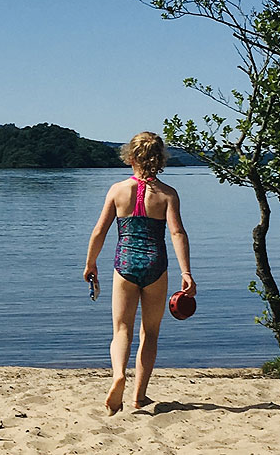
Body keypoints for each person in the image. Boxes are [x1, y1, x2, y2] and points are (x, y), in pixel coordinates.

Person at [84, 131, 195, 415]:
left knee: (122, 330)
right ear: (160, 159)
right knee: (151, 332)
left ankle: (119, 374)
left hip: (125, 265)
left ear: (130, 158)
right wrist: (187, 272)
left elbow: (99, 231)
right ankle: (139, 396)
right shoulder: (168, 194)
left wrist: (91, 263)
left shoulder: (118, 190)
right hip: (155, 266)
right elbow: (177, 232)